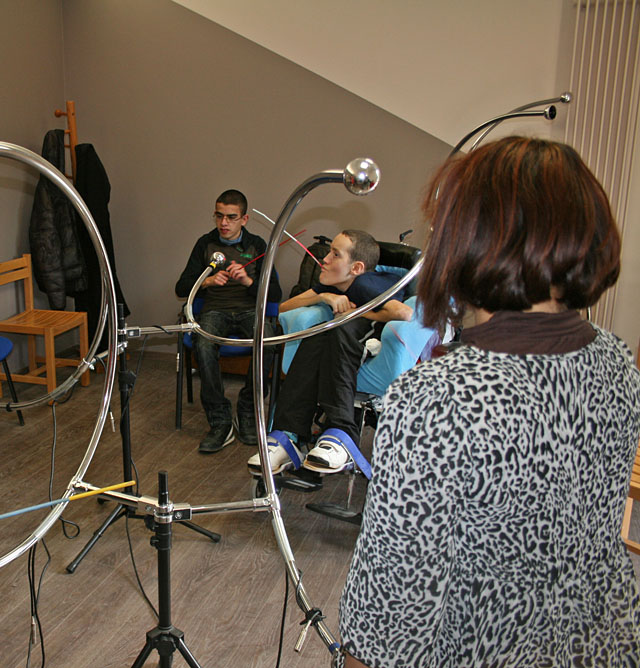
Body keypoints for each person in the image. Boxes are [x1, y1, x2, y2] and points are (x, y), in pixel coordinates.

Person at [337, 137, 640, 667]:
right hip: (603, 641)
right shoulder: (616, 360)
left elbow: (391, 618)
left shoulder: (438, 398)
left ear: (469, 240)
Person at [247, 230, 411, 475]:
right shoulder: (331, 284)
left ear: (356, 267)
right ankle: (288, 434)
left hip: (374, 341)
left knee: (338, 330)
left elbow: (404, 314)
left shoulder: (367, 283)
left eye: (335, 254)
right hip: (342, 336)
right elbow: (283, 306)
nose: (324, 259)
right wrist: (325, 297)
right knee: (317, 334)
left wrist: (355, 313)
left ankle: (342, 434)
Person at [175, 189, 281, 453]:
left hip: (249, 310)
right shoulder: (205, 244)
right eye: (219, 216)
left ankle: (247, 411)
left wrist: (248, 281)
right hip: (215, 311)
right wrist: (207, 281)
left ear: (244, 219)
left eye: (231, 217)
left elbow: (276, 294)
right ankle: (220, 420)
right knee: (203, 345)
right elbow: (181, 287)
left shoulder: (257, 245)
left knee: (267, 341)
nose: (224, 223)